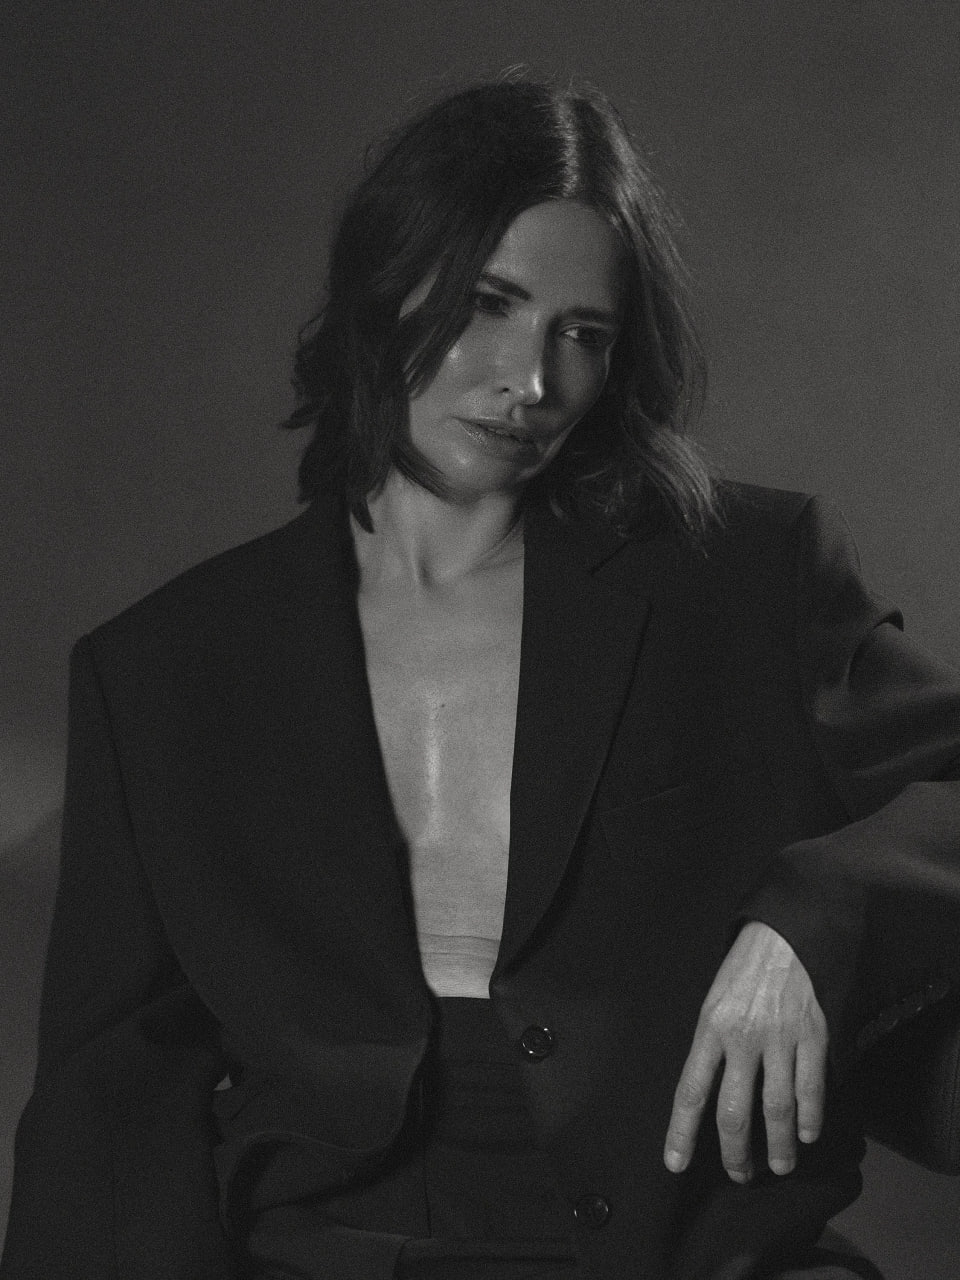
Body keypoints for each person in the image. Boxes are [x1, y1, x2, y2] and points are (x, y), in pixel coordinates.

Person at [3, 77, 959, 1280]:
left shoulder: (740, 578)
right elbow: (106, 1108)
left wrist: (814, 918)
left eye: (583, 333)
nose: (533, 380)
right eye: (489, 303)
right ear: (387, 283)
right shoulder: (165, 673)